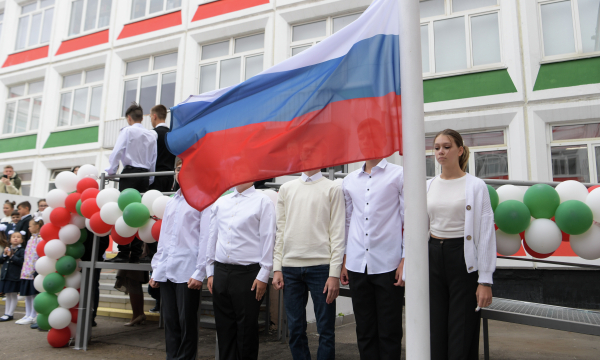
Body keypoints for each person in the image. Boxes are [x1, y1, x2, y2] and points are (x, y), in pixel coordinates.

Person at [427, 129, 496, 360]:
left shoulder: (476, 186)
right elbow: (418, 228)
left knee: (462, 328)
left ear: (460, 150)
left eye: (446, 147)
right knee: (435, 328)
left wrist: (485, 280)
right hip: (433, 255)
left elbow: (485, 233)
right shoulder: (428, 185)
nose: (441, 152)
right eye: (436, 147)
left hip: (463, 259)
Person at [340, 119, 405, 360]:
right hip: (357, 264)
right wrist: (345, 259)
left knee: (389, 331)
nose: (368, 143)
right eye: (363, 138)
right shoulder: (349, 181)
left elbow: (408, 219)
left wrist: (405, 259)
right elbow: (347, 222)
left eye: (373, 137)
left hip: (388, 264)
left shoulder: (398, 175)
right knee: (364, 330)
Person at [272, 168, 346, 360]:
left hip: (322, 268)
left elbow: (338, 233)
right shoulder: (286, 188)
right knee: (295, 329)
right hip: (290, 268)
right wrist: (277, 268)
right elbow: (280, 231)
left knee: (326, 330)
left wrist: (334, 273)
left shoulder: (332, 188)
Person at [206, 181, 276, 360]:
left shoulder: (262, 201)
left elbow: (268, 237)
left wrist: (264, 273)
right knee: (224, 328)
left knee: (246, 330)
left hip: (248, 274)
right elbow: (212, 236)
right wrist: (210, 270)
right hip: (221, 271)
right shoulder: (222, 202)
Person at [150, 157, 209, 360]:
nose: (180, 171)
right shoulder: (172, 201)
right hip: (167, 270)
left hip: (188, 271)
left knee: (187, 325)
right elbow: (164, 239)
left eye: (185, 168)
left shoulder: (201, 199)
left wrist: (200, 272)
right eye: (177, 168)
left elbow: (206, 238)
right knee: (171, 323)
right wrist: (157, 268)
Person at [105, 102, 158, 264]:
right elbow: (153, 158)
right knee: (140, 212)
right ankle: (136, 252)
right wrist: (150, 178)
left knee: (124, 210)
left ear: (129, 118)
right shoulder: (151, 134)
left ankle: (123, 251)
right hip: (144, 175)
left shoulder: (127, 131)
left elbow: (117, 151)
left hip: (129, 173)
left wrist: (111, 171)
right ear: (142, 118)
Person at [15, 217, 44, 325]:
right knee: (27, 294)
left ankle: (33, 314)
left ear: (37, 226)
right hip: (26, 271)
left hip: (33, 271)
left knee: (33, 294)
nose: (28, 228)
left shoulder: (40, 239)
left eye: (30, 226)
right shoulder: (31, 239)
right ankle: (28, 314)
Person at [80, 229, 110, 327]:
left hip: (93, 260)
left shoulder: (97, 222)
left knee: (92, 287)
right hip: (78, 259)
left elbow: (104, 242)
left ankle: (91, 316)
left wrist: (94, 255)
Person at [0, 230, 26, 322]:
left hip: (14, 276)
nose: (15, 238)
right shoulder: (8, 249)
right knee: (8, 295)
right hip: (6, 275)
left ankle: (10, 313)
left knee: (13, 294)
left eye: (18, 237)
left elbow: (21, 262)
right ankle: (6, 313)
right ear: (10, 239)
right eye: (13, 237)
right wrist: (4, 254)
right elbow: (1, 261)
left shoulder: (21, 250)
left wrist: (11, 256)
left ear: (22, 240)